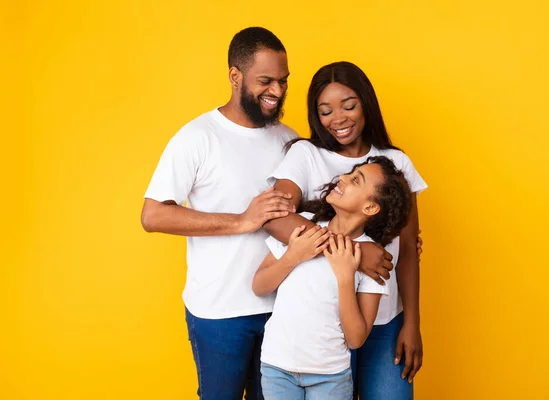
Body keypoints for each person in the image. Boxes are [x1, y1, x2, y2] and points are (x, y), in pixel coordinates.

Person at [141, 27, 394, 399]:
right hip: (221, 311)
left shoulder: (289, 140)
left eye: (283, 81)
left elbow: (325, 213)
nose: (276, 91)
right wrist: (243, 221)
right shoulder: (197, 137)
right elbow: (153, 216)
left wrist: (357, 247)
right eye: (265, 81)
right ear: (235, 76)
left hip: (285, 316)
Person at [264, 61, 428, 399]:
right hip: (318, 332)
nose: (338, 118)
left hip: (383, 322)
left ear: (366, 103)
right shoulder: (305, 154)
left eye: (349, 106)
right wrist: (355, 250)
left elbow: (409, 249)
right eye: (325, 111)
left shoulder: (396, 163)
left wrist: (411, 322)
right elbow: (275, 216)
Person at [254, 156, 413, 400]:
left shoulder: (373, 262)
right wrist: (292, 256)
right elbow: (259, 286)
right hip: (277, 367)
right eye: (350, 173)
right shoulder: (301, 227)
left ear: (370, 208)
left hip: (330, 376)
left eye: (355, 180)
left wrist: (345, 277)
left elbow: (356, 338)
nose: (342, 178)